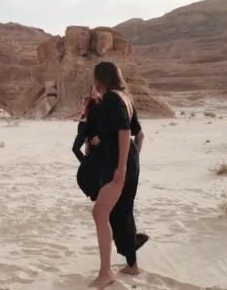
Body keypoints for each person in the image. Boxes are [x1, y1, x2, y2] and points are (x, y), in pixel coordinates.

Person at [89, 61, 145, 289]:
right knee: (122, 213)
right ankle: (132, 265)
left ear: (100, 78)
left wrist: (121, 169)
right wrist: (133, 162)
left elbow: (124, 131)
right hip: (129, 162)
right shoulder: (126, 98)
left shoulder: (112, 98)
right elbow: (139, 136)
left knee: (100, 213)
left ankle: (105, 274)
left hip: (119, 166)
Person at [72, 87, 100, 163]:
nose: (94, 92)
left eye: (95, 90)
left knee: (78, 149)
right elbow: (84, 113)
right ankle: (86, 165)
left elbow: (89, 119)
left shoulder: (98, 103)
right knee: (79, 149)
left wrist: (79, 119)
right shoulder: (90, 102)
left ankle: (85, 165)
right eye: (92, 90)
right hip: (84, 129)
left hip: (88, 130)